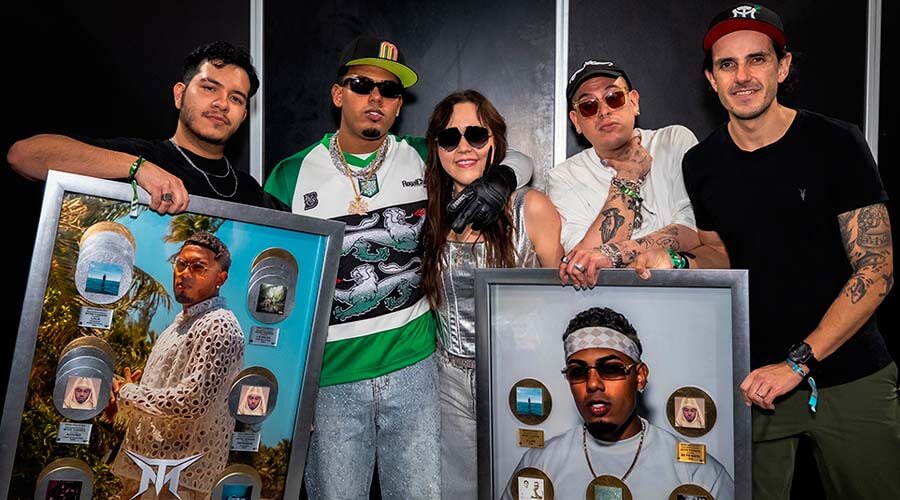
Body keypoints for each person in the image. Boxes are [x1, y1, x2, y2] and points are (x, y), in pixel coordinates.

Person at [637, 4, 900, 498]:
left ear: (783, 67)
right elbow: (721, 253)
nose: (742, 76)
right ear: (711, 80)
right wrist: (674, 257)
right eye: (727, 64)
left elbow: (876, 271)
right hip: (753, 383)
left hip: (849, 375)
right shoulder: (702, 162)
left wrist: (797, 363)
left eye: (756, 59)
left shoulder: (836, 142)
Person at [264, 36, 533, 500]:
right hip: (330, 382)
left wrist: (503, 178)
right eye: (362, 85)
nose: (376, 97)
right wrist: (288, 386)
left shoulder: (423, 156)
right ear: (338, 94)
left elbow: (510, 156)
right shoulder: (291, 174)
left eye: (389, 90)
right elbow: (274, 291)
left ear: (398, 105)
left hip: (416, 372)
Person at [419, 90, 563, 497]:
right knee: (459, 491)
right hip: (447, 381)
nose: (464, 147)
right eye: (450, 138)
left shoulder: (530, 208)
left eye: (477, 135)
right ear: (437, 149)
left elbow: (565, 301)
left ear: (494, 141)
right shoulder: (430, 212)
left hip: (523, 376)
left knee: (529, 486)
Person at [6, 41, 286, 213]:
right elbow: (24, 156)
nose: (222, 103)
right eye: (209, 88)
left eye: (236, 98)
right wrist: (138, 168)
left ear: (243, 116)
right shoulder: (142, 157)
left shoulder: (250, 191)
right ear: (179, 95)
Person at [504, 307, 733, 500]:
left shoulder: (696, 472)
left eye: (611, 369)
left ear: (640, 376)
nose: (593, 384)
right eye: (578, 372)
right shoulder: (540, 463)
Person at [108, 232, 244, 498]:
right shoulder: (178, 326)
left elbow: (193, 402)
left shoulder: (219, 325)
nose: (185, 273)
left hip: (179, 479)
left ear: (221, 278)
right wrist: (124, 400)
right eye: (181, 264)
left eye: (198, 267)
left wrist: (130, 393)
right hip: (147, 469)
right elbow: (161, 402)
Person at [548, 60, 701, 288]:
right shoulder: (563, 177)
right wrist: (628, 176)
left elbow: (695, 230)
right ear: (576, 121)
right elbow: (586, 262)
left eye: (614, 97)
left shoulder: (672, 141)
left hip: (680, 291)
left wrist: (614, 253)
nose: (604, 111)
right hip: (610, 300)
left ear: (634, 102)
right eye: (588, 106)